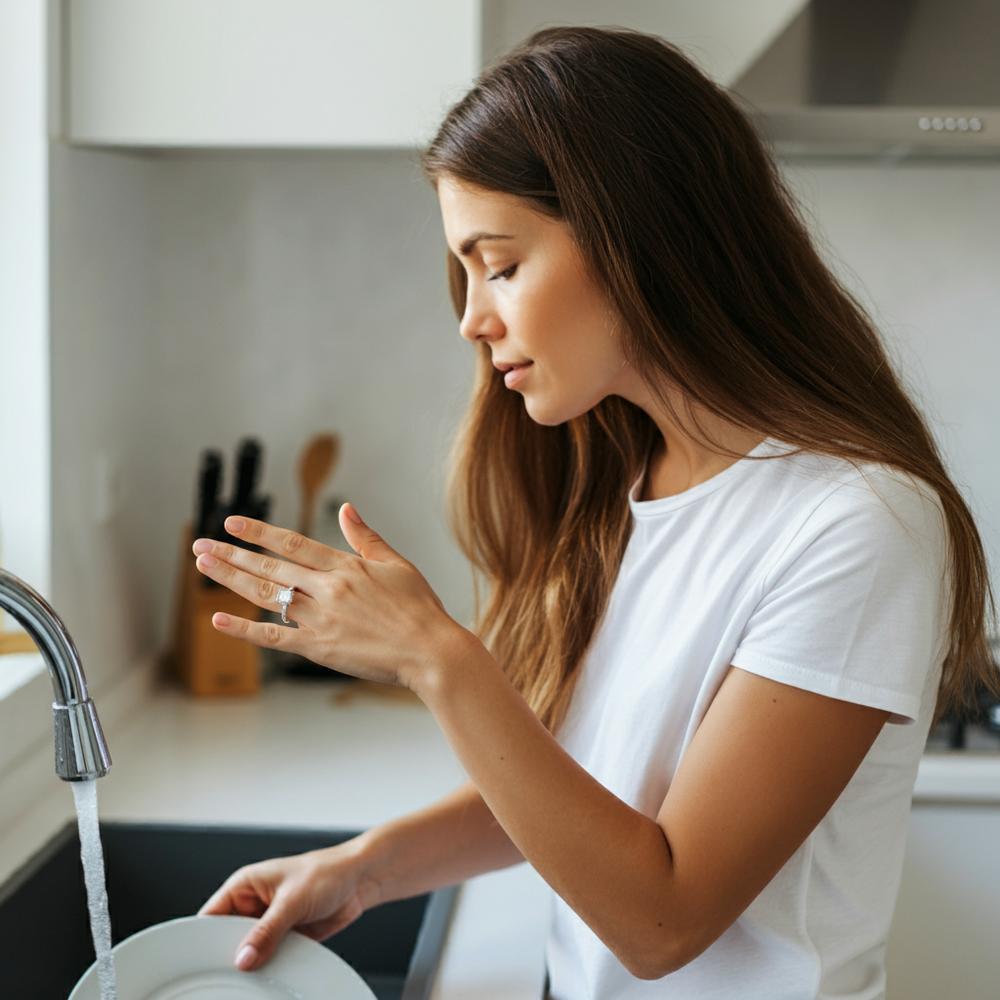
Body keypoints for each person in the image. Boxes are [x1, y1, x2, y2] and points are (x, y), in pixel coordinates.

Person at [193, 25, 998, 999]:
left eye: (498, 263)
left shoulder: (855, 523)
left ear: (636, 236)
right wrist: (364, 865)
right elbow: (587, 800)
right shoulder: (626, 480)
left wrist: (436, 659)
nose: (472, 317)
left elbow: (662, 918)